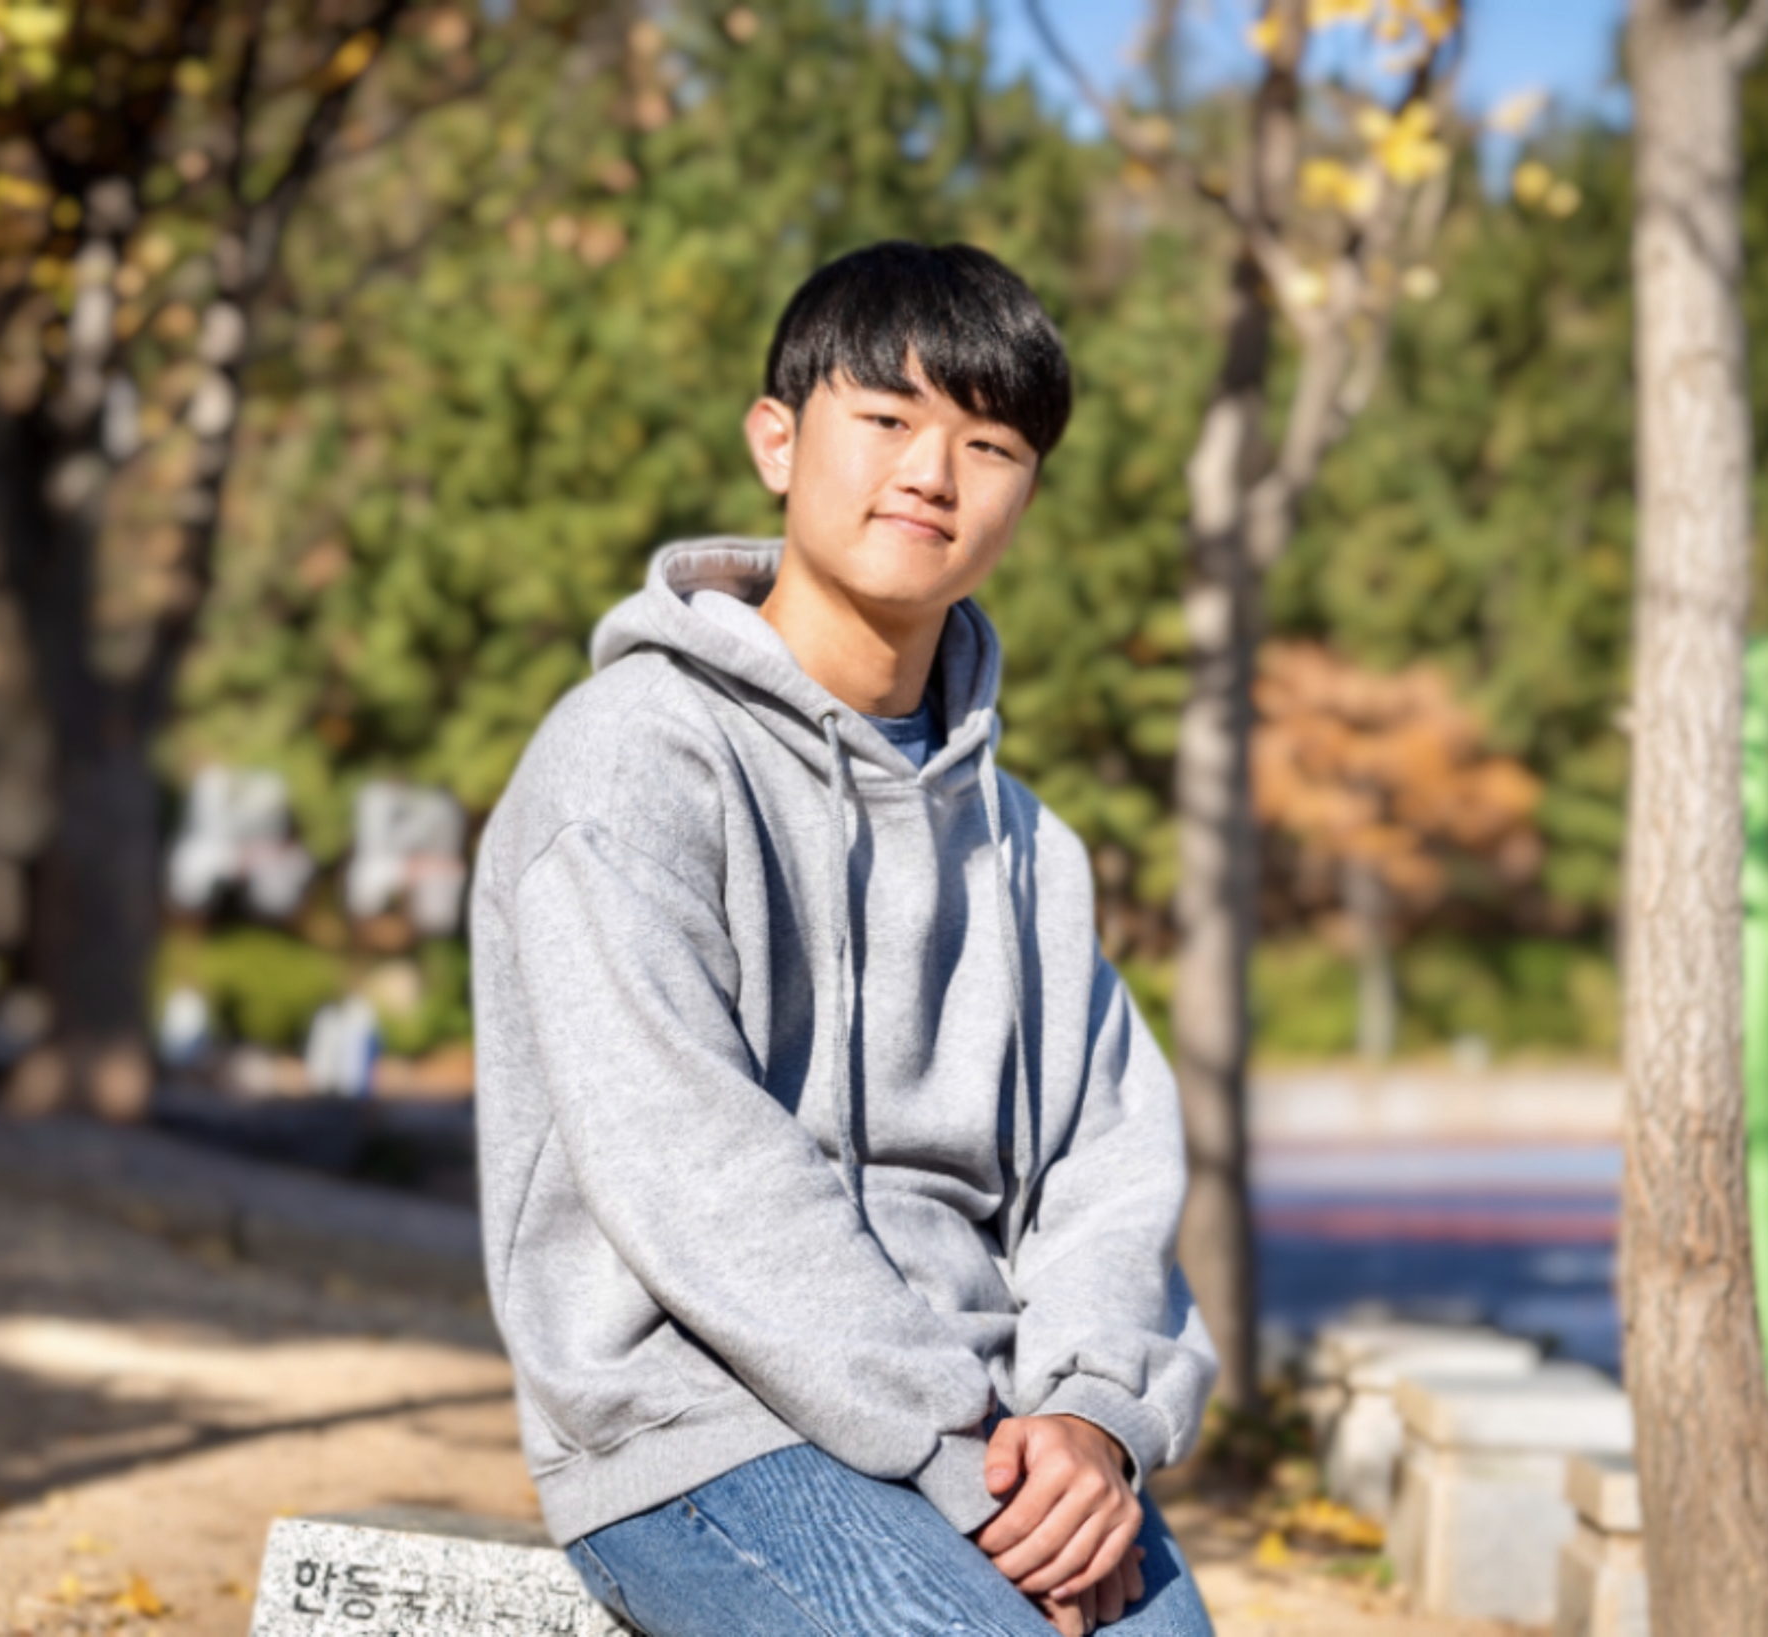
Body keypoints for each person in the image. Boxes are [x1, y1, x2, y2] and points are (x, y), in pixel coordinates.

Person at [470, 240, 1217, 1637]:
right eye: (884, 419)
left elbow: (1106, 1170)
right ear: (777, 440)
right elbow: (695, 1171)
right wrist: (959, 1456)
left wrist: (1092, 1423)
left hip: (1004, 1428)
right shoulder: (633, 761)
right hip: (701, 1427)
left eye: (989, 445)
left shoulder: (1028, 847)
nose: (932, 473)